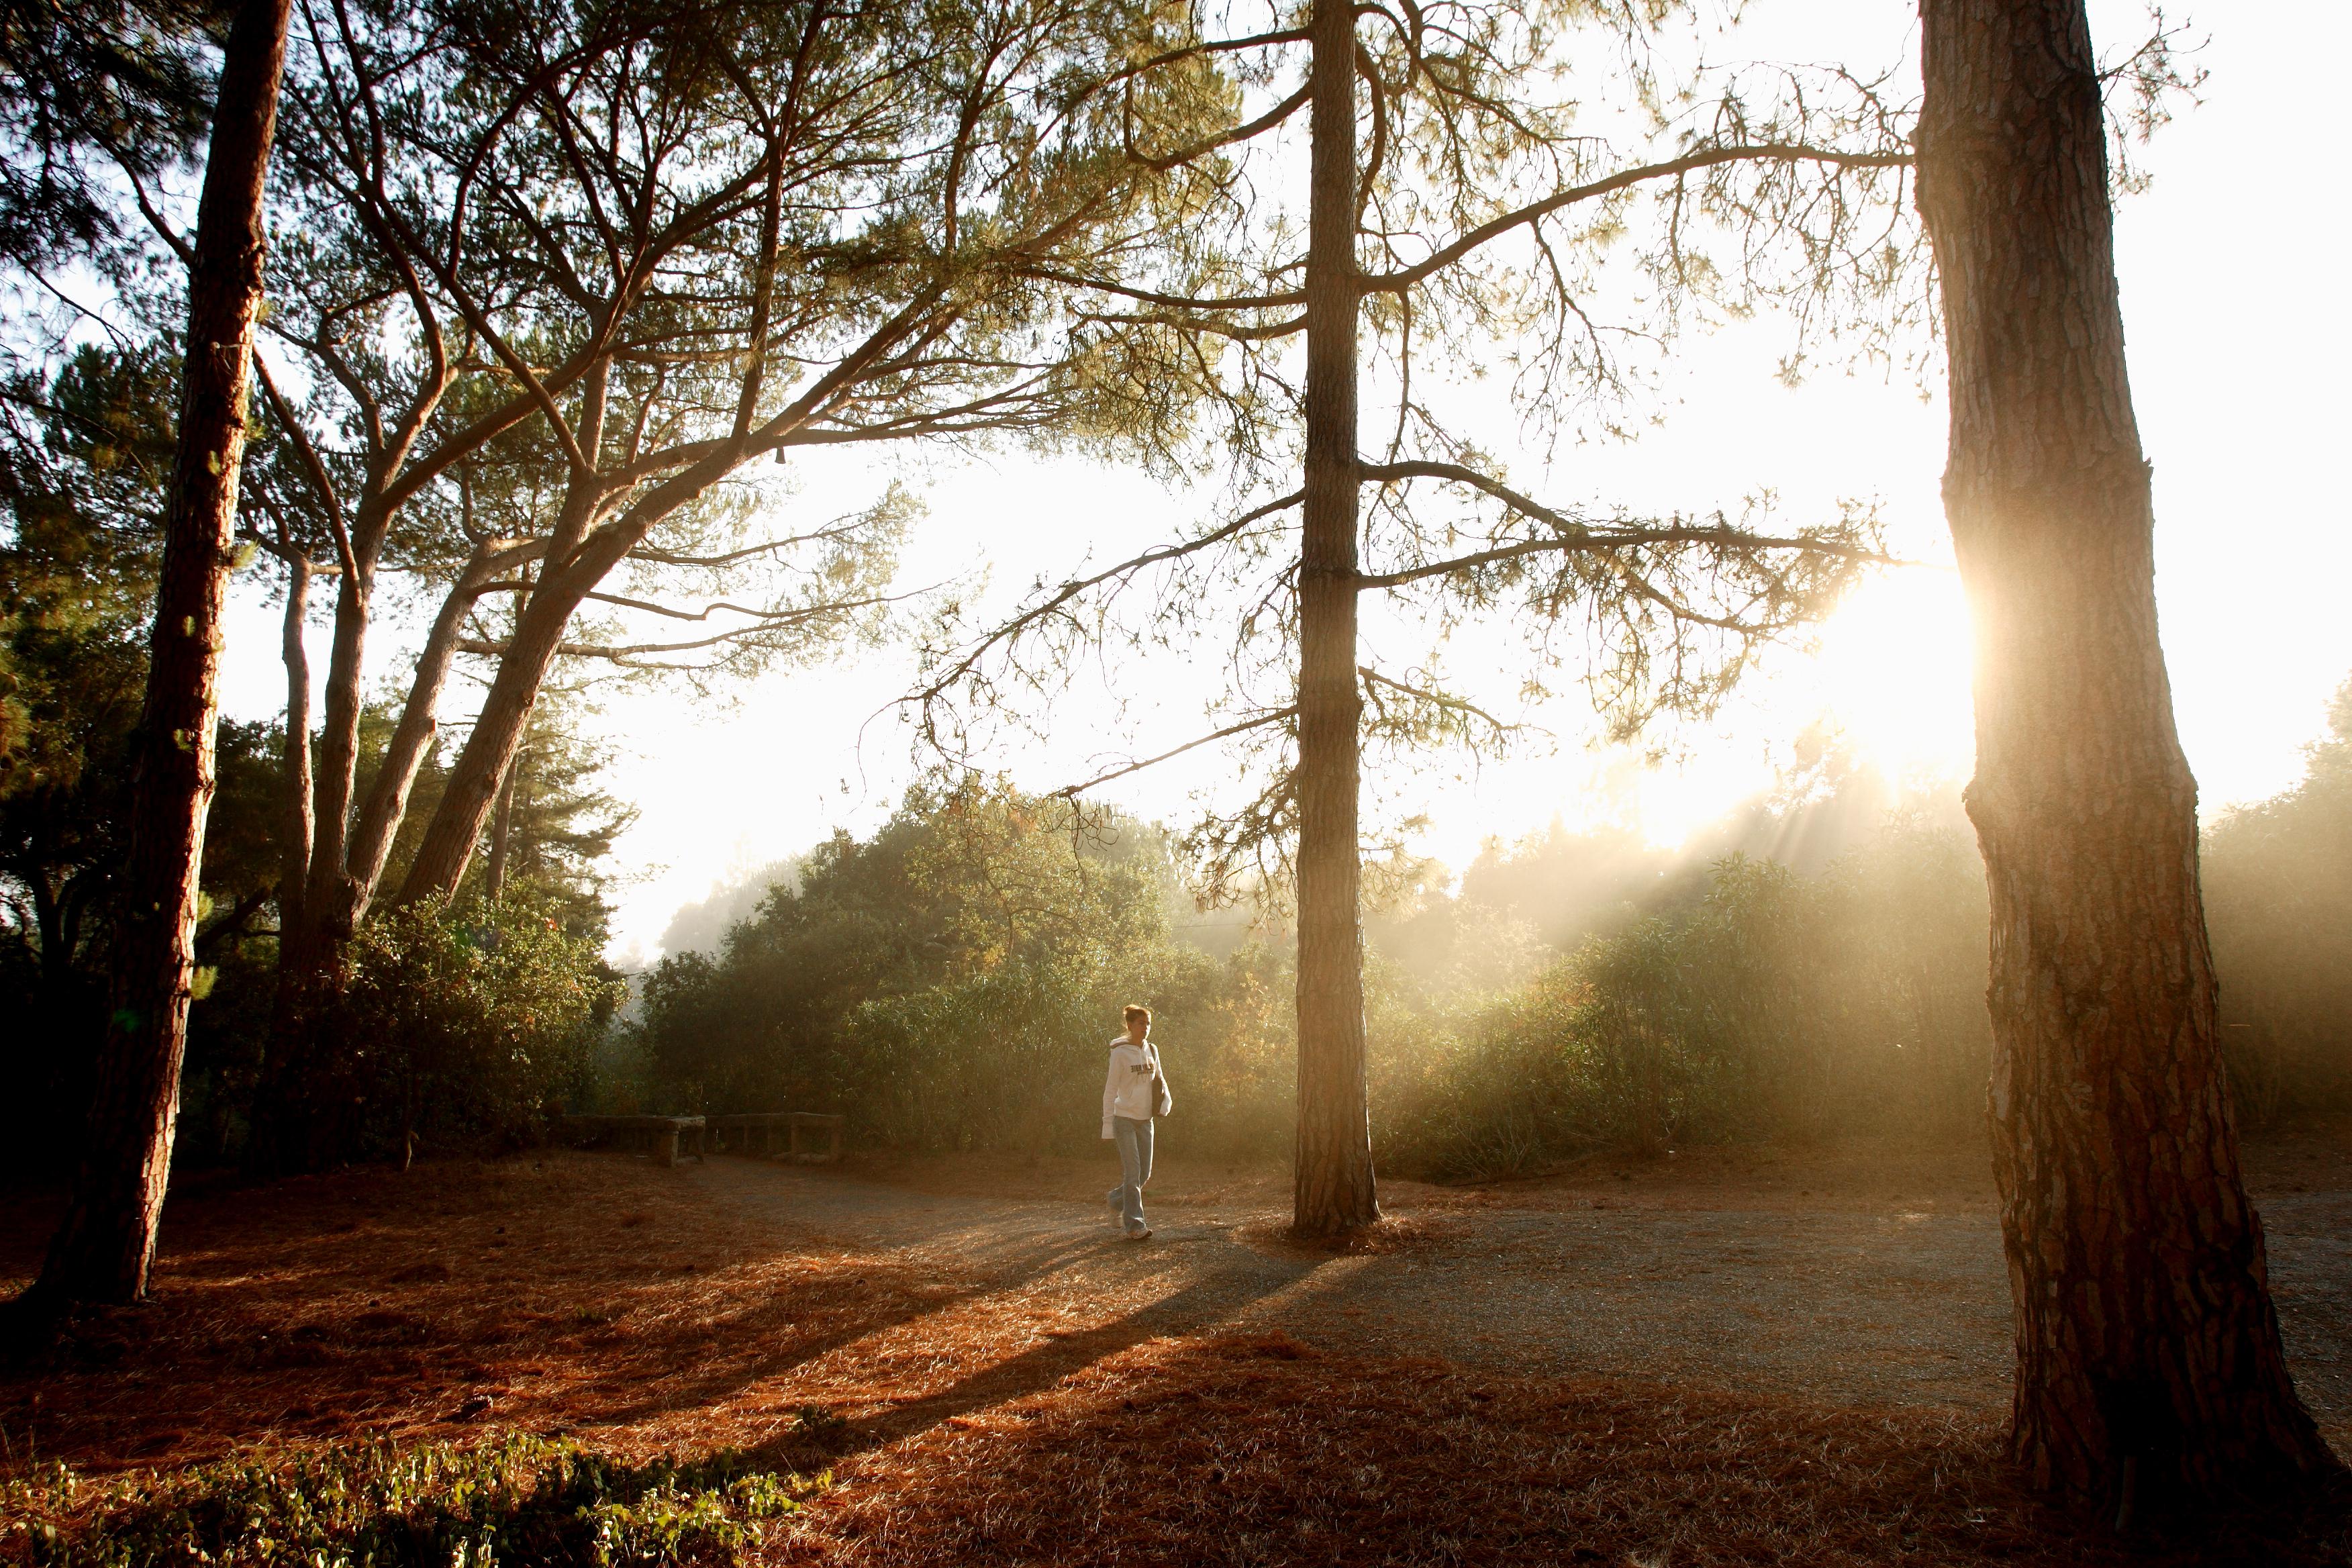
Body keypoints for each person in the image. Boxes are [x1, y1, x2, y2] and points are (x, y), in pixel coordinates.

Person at [1101, 1003, 1170, 1240]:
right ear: (1130, 1025)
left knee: (1143, 1176)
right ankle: (1135, 1226)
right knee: (1132, 1174)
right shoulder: (1119, 1053)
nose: (1146, 1028)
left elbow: (1159, 1079)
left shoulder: (1152, 1049)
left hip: (1145, 1120)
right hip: (1124, 1120)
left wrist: (1166, 1102)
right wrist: (1107, 1124)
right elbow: (1110, 1090)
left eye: (1148, 1023)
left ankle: (1114, 1200)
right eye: (1141, 1023)